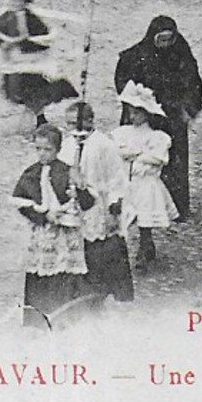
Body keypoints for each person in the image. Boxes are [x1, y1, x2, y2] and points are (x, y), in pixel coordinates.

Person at [114, 15, 202, 219]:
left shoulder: (181, 54)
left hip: (172, 115)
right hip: (146, 114)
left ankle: (176, 207)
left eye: (169, 40)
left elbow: (193, 81)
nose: (165, 45)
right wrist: (138, 104)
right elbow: (123, 83)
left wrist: (188, 109)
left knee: (174, 160)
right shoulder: (135, 56)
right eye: (160, 40)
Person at [11, 124, 94, 320]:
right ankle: (36, 320)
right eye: (38, 149)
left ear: (57, 149)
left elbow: (87, 203)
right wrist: (42, 216)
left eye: (47, 149)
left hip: (65, 238)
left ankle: (64, 319)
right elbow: (22, 203)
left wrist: (78, 191)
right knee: (39, 275)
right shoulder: (31, 173)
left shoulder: (67, 172)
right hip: (43, 235)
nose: (42, 154)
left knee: (64, 276)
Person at [63, 102, 133, 303]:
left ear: (90, 121)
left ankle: (108, 295)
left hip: (100, 208)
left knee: (104, 252)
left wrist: (114, 209)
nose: (72, 129)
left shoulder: (104, 144)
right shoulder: (68, 145)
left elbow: (116, 180)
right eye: (68, 124)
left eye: (75, 123)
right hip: (76, 208)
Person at [112, 82, 178, 271]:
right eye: (131, 112)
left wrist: (136, 155)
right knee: (124, 215)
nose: (133, 116)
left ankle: (145, 245)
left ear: (147, 114)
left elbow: (158, 158)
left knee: (144, 217)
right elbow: (117, 152)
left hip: (146, 182)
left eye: (137, 113)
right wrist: (131, 154)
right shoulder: (122, 133)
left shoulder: (156, 136)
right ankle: (121, 250)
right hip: (128, 181)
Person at [0, 0, 79, 123]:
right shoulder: (4, 18)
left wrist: (29, 42)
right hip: (14, 64)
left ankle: (40, 117)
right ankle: (38, 114)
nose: (14, 3)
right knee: (16, 91)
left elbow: (44, 39)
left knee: (32, 88)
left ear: (25, 2)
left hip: (31, 64)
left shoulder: (32, 20)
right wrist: (7, 44)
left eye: (18, 0)